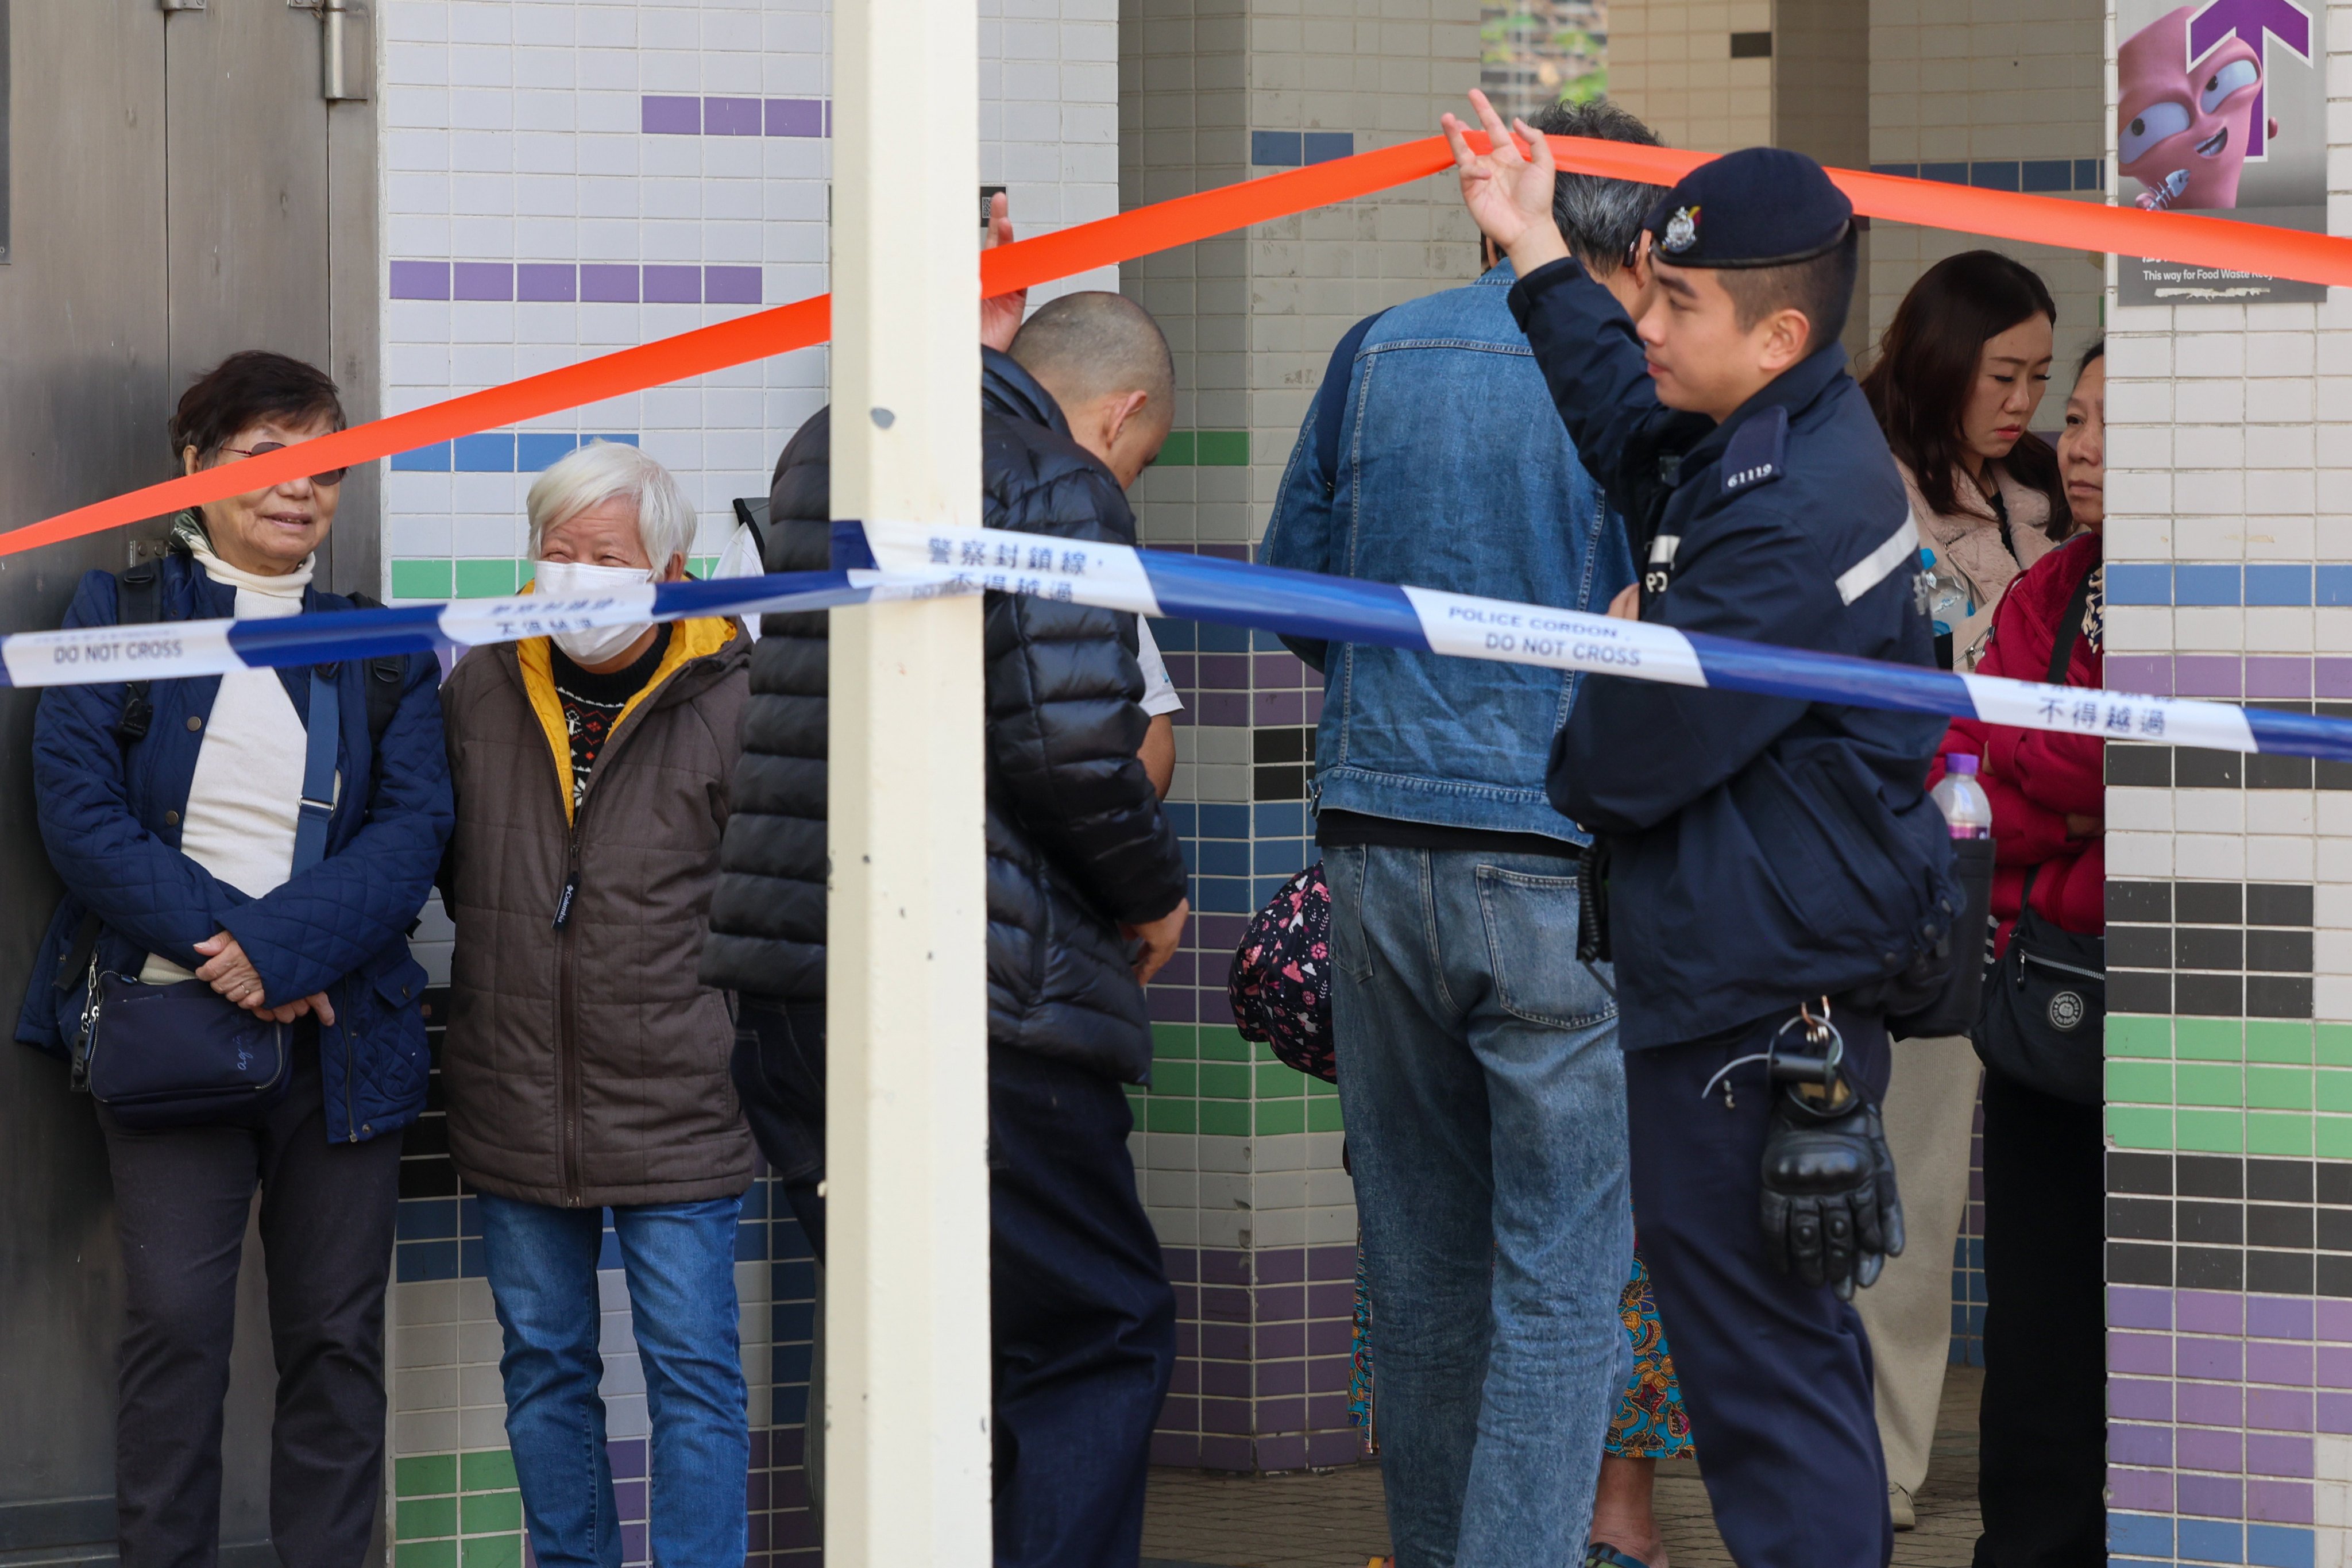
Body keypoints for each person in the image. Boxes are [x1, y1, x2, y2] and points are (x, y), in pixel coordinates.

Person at [1446, 92, 1957, 1565]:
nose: (1645, 322)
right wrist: (1537, 245)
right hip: (1737, 972)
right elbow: (1626, 422)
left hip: (1756, 1001)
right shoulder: (1759, 434)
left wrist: (1622, 641)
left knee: (1760, 1381)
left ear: (1776, 336)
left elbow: (1623, 764)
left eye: (1673, 300)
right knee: (1772, 1360)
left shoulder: (1789, 506)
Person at [702, 288, 1192, 1566]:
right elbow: (1072, 747)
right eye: (1138, 456)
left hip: (793, 981)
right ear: (1122, 412)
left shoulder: (832, 445)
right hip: (979, 995)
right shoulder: (1057, 483)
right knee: (1094, 1332)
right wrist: (1151, 893)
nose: (1126, 475)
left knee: (906, 1347)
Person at [1260, 97, 1684, 1568]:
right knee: (1561, 1281)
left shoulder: (1376, 351)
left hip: (1372, 854)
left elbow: (1295, 591)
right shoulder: (1643, 389)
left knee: (1422, 1276)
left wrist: (1399, 710)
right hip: (1559, 870)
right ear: (1638, 243)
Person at [15, 350, 453, 1567]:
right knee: (175, 1335)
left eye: (323, 459)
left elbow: (416, 827)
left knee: (336, 1339)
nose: (299, 485)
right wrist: (232, 948)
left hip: (341, 1045)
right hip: (167, 1032)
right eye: (268, 456)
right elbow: (77, 809)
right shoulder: (117, 615)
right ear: (193, 469)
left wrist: (284, 950)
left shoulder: (381, 640)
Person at [436, 441, 755, 1567]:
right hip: (515, 1080)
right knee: (545, 1372)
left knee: (695, 1383)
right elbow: (447, 856)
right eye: (556, 552)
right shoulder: (480, 675)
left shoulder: (735, 690)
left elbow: (775, 893)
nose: (576, 575)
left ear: (667, 564)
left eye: (604, 555)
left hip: (681, 1093)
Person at [1852, 249, 2071, 1531]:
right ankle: (1869, 1470)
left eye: (2044, 379)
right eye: (2004, 373)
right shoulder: (1861, 482)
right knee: (1893, 1181)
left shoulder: (2039, 487)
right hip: (1911, 878)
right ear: (1938, 354)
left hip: (2028, 885)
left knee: (1945, 1201)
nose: (2024, 404)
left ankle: (1895, 1457)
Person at [1934, 342, 2106, 1566]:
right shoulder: (2051, 590)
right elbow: (1965, 763)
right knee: (2038, 1327)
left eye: (2115, 425)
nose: (2081, 447)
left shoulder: (2260, 600)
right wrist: (2072, 815)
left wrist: (2047, 790)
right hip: (2048, 1002)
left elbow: (2189, 803)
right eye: (2079, 418)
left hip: (2204, 1022)